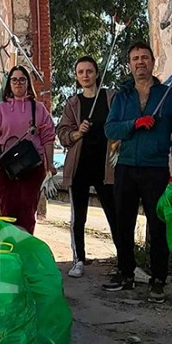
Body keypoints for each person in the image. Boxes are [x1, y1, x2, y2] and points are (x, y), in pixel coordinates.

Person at [102, 42, 172, 303]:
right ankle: (126, 273)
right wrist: (135, 123)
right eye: (135, 58)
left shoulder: (169, 96)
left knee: (158, 226)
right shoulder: (122, 96)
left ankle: (158, 280)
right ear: (129, 64)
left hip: (156, 170)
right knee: (123, 223)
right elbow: (110, 129)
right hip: (126, 168)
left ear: (152, 61)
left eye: (144, 57)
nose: (140, 62)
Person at [56, 56, 121, 278]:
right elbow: (62, 133)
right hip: (80, 168)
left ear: (96, 74)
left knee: (114, 214)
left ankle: (124, 260)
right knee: (79, 218)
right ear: (76, 76)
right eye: (81, 72)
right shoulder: (73, 104)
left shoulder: (111, 97)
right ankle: (79, 260)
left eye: (89, 71)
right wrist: (77, 133)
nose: (85, 75)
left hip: (107, 167)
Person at [0, 65, 56, 235]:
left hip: (32, 166)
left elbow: (48, 136)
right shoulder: (1, 109)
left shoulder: (38, 108)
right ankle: (8, 245)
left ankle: (25, 244)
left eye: (22, 79)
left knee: (27, 211)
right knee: (7, 210)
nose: (18, 83)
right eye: (14, 79)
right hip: (6, 167)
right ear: (9, 83)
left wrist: (50, 163)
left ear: (28, 83)